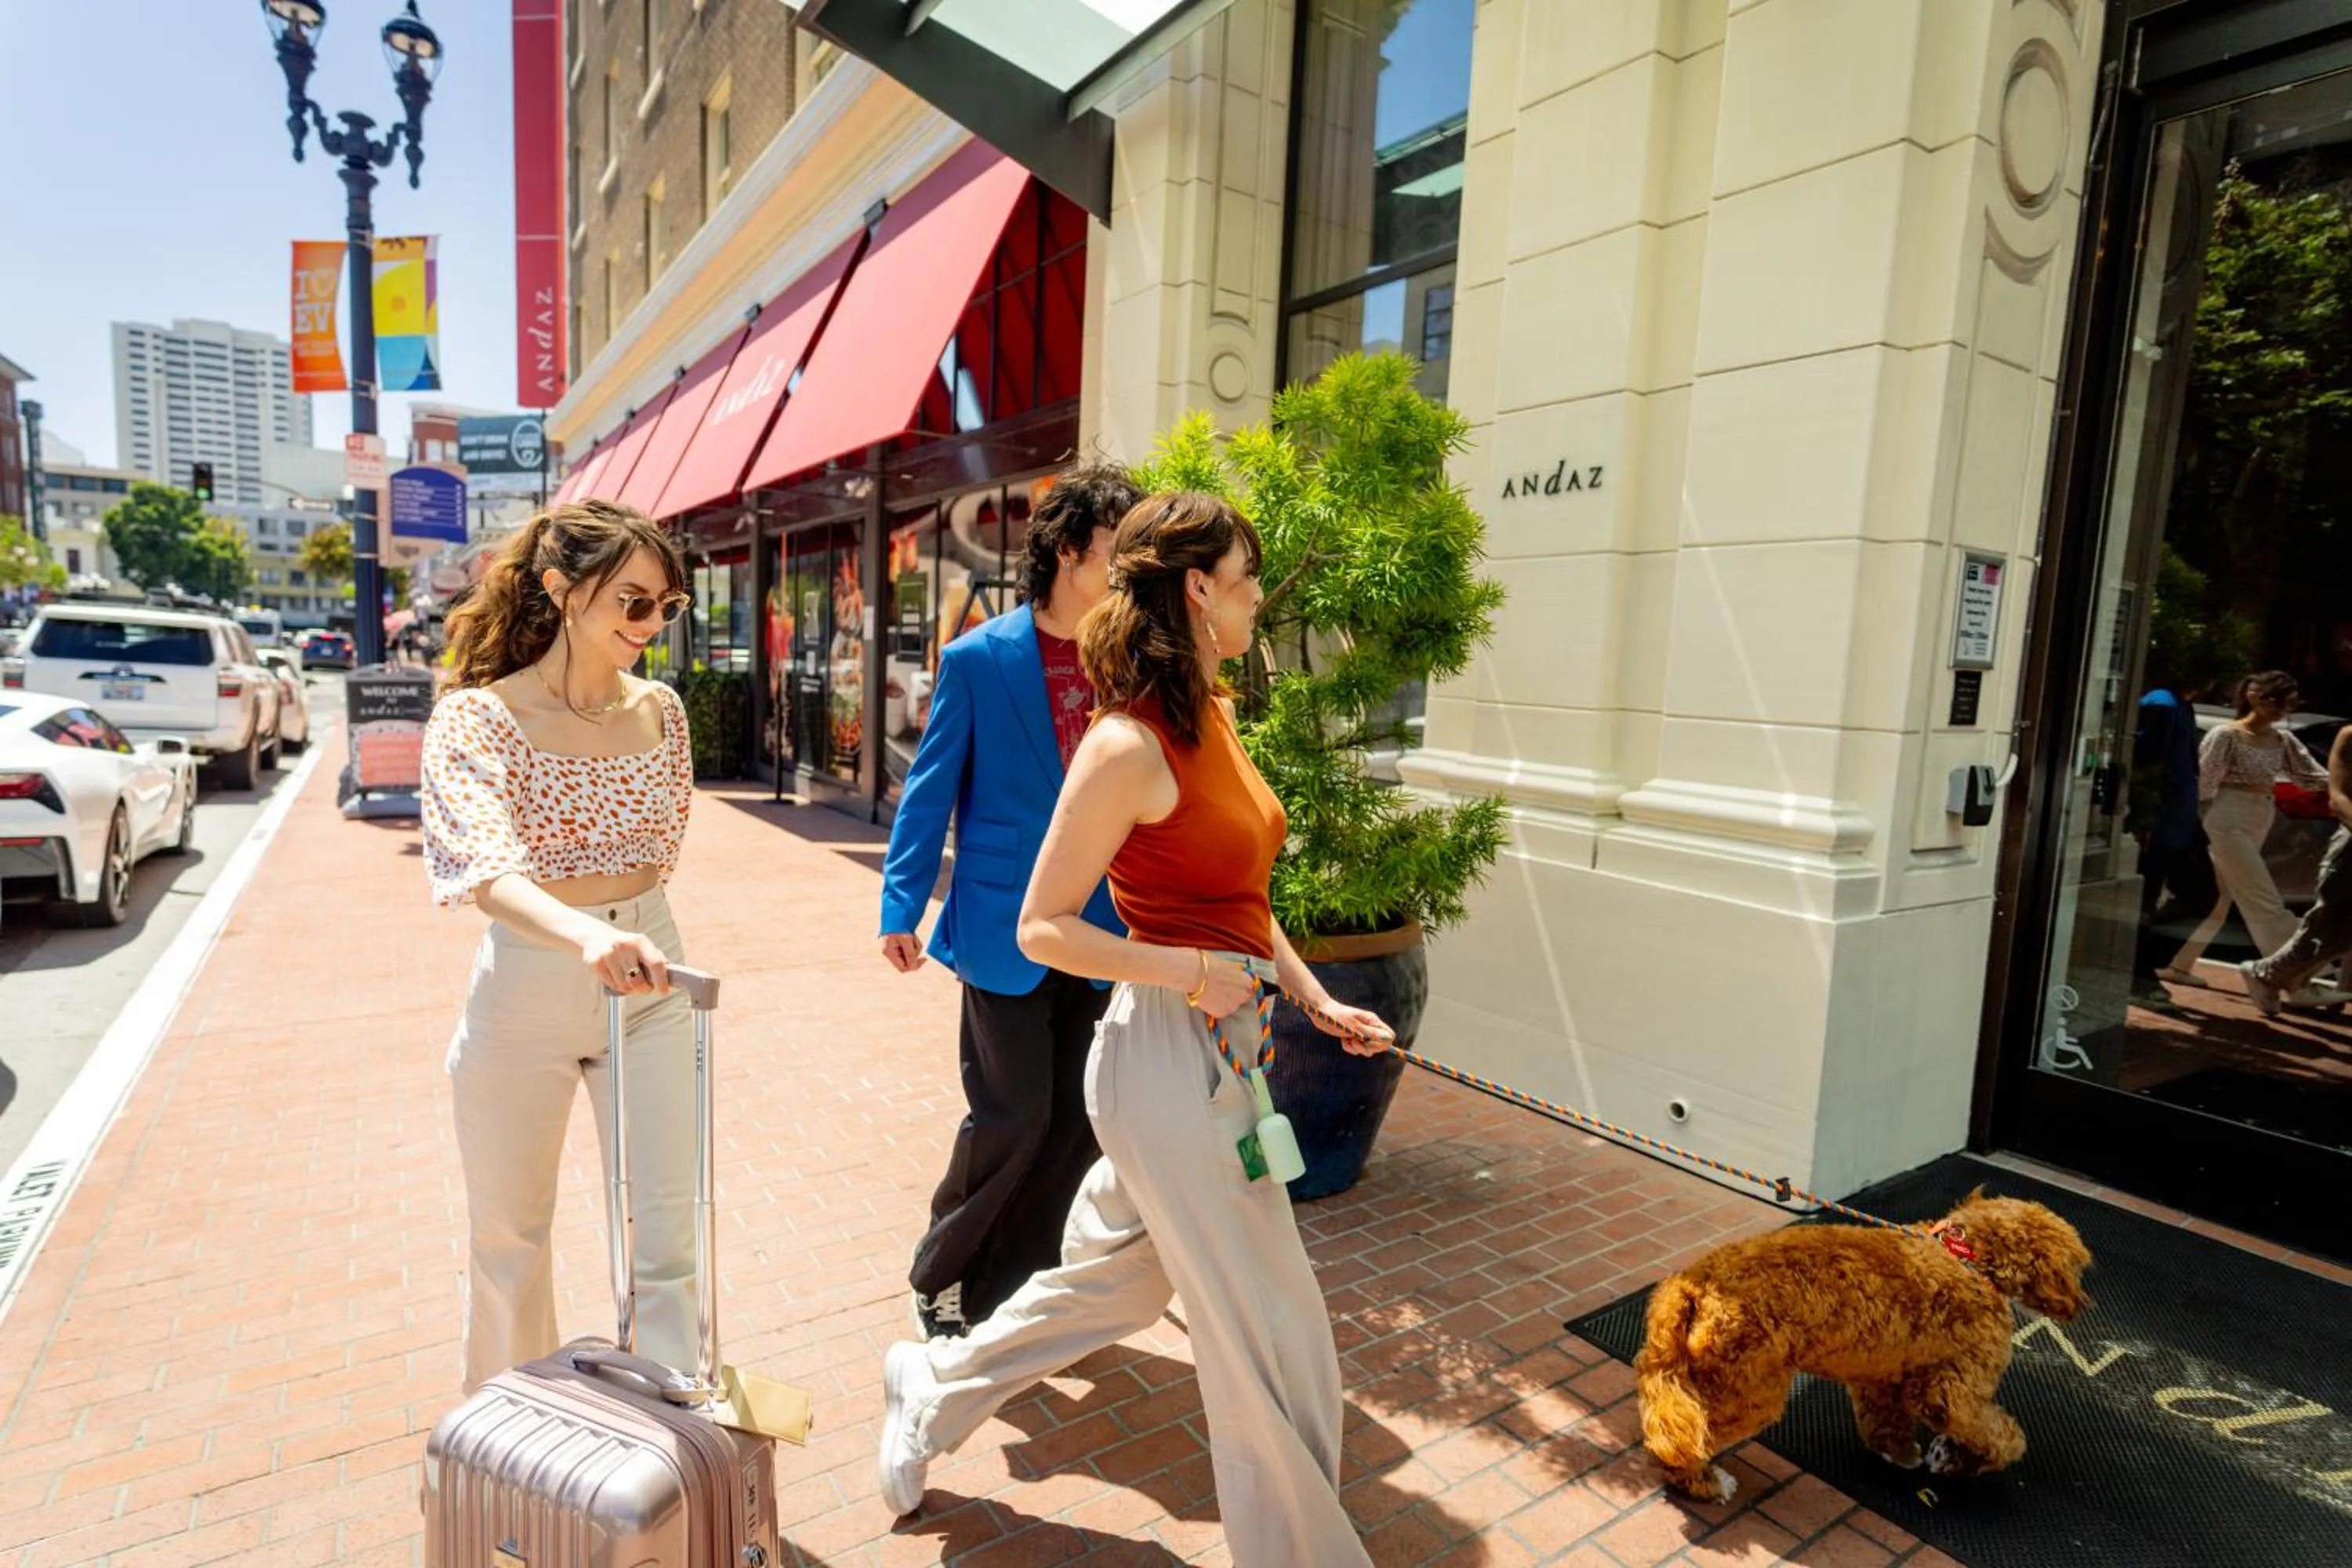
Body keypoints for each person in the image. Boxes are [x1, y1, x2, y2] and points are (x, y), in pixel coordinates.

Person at [874, 492, 1392, 1566]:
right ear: (1198, 589)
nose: (1258, 603)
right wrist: (1194, 971)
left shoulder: (1221, 717)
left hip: (1224, 1045)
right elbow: (1043, 925)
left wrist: (1310, 994)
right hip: (1162, 1055)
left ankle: (928, 1390)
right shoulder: (1124, 745)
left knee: (1122, 1286)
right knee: (1272, 1329)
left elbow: (1243, 896)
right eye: (1247, 582)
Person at [419, 499, 699, 1392]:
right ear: (561, 590)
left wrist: (617, 928)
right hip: (532, 982)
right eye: (632, 600)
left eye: (666, 605)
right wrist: (583, 932)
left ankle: (672, 1440)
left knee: (668, 1227)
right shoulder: (478, 718)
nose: (650, 624)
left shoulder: (662, 711)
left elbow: (660, 853)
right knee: (509, 1238)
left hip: (650, 971)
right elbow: (482, 866)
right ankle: (506, 1449)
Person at [879, 463, 1141, 1339]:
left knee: (1078, 1120)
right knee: (1013, 1112)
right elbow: (928, 788)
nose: (1130, 568)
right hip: (1004, 924)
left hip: (1106, 926)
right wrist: (901, 904)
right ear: (1071, 552)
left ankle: (1013, 1285)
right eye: (1118, 549)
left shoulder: (1131, 659)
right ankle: (941, 1267)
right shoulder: (980, 657)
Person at [2165, 671, 2328, 987]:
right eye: (2275, 700)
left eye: (2289, 703)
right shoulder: (2225, 735)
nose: (2281, 709)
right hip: (2226, 817)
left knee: (2222, 897)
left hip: (2260, 816)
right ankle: (2298, 976)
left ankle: (2176, 965)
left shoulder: (2282, 740)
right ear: (2253, 696)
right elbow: (2204, 785)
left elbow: (2313, 776)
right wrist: (2194, 827)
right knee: (2262, 897)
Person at [2241, 721, 2352, 1015]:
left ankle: (2279, 976)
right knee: (2324, 926)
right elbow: (2338, 798)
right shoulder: (2349, 736)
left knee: (2338, 932)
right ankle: (2266, 974)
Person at [2131, 678, 2219, 1000]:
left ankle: (2141, 962)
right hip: (2159, 820)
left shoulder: (2181, 703)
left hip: (2182, 821)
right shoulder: (2162, 704)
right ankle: (2138, 971)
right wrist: (2143, 820)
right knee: (2147, 898)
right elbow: (2144, 764)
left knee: (2202, 893)